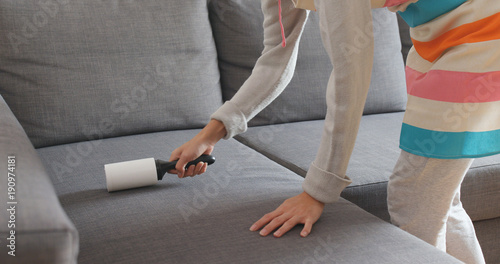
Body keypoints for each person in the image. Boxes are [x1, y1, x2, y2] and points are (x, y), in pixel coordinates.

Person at [169, 1, 498, 263]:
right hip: (436, 41)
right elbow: (275, 59)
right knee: (438, 201)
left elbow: (350, 78)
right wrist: (210, 134)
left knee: (412, 198)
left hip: (482, 36)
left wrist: (317, 192)